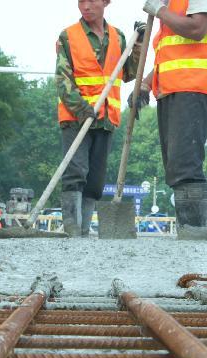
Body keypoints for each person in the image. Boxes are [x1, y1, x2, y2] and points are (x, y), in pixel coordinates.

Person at [55, 0, 143, 238]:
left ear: (106, 2)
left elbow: (130, 73)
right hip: (76, 118)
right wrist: (82, 108)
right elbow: (63, 79)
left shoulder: (119, 37)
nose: (85, 6)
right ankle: (72, 229)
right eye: (81, 1)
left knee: (95, 181)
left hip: (106, 121)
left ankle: (84, 229)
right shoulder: (68, 36)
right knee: (75, 173)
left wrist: (138, 46)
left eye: (92, 0)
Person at [139, 0, 207, 240]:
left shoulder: (172, 7)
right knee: (178, 167)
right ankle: (199, 232)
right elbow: (172, 54)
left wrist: (160, 11)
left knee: (185, 167)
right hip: (174, 89)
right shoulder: (172, 4)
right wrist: (146, 82)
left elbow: (196, 29)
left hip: (192, 86)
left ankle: (195, 237)